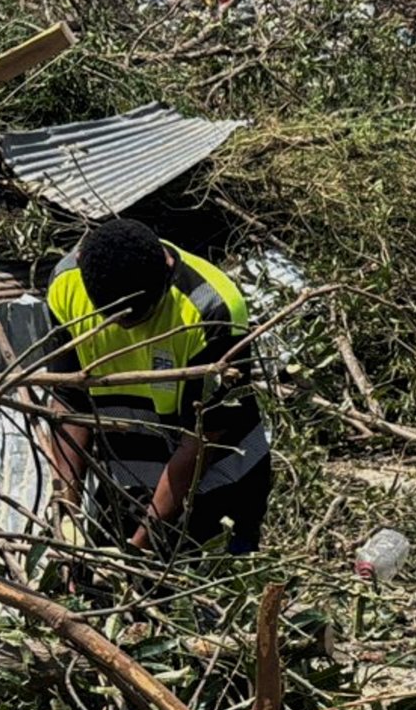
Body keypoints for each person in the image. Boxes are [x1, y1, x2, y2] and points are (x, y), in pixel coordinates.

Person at [45, 217, 269, 553]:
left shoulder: (211, 309)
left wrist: (139, 548)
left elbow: (203, 441)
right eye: (112, 316)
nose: (125, 328)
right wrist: (68, 513)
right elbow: (69, 401)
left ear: (166, 270)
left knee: (208, 592)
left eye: (140, 317)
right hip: (128, 477)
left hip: (218, 480)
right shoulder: (66, 286)